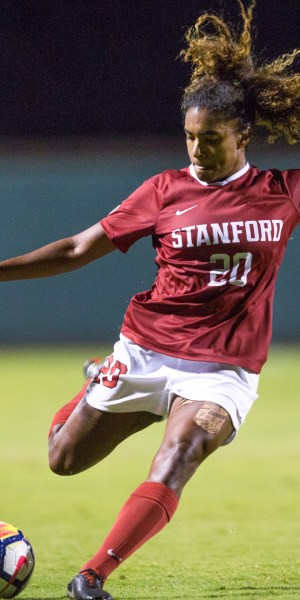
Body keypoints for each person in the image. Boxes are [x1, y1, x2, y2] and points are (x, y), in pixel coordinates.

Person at [1, 1, 299, 599]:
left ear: (243, 134)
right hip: (148, 352)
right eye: (189, 137)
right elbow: (76, 248)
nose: (196, 150)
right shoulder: (164, 190)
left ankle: (91, 578)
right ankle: (99, 382)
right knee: (62, 459)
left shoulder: (281, 192)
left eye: (210, 139)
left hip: (224, 372)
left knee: (181, 451)